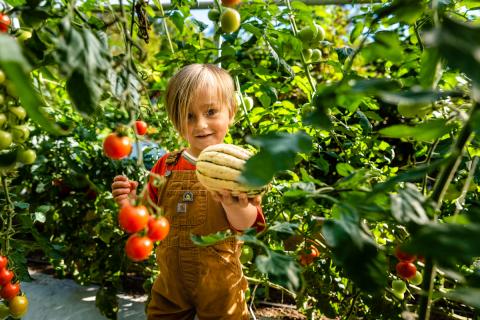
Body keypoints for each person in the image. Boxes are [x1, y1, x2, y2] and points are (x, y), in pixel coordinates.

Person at [111, 63, 265, 319]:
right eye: (189, 116)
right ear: (176, 121)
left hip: (220, 285)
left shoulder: (240, 169)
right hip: (171, 283)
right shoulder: (166, 165)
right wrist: (130, 204)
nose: (200, 124)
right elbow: (148, 220)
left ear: (231, 112)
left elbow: (247, 225)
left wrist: (234, 206)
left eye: (211, 111)